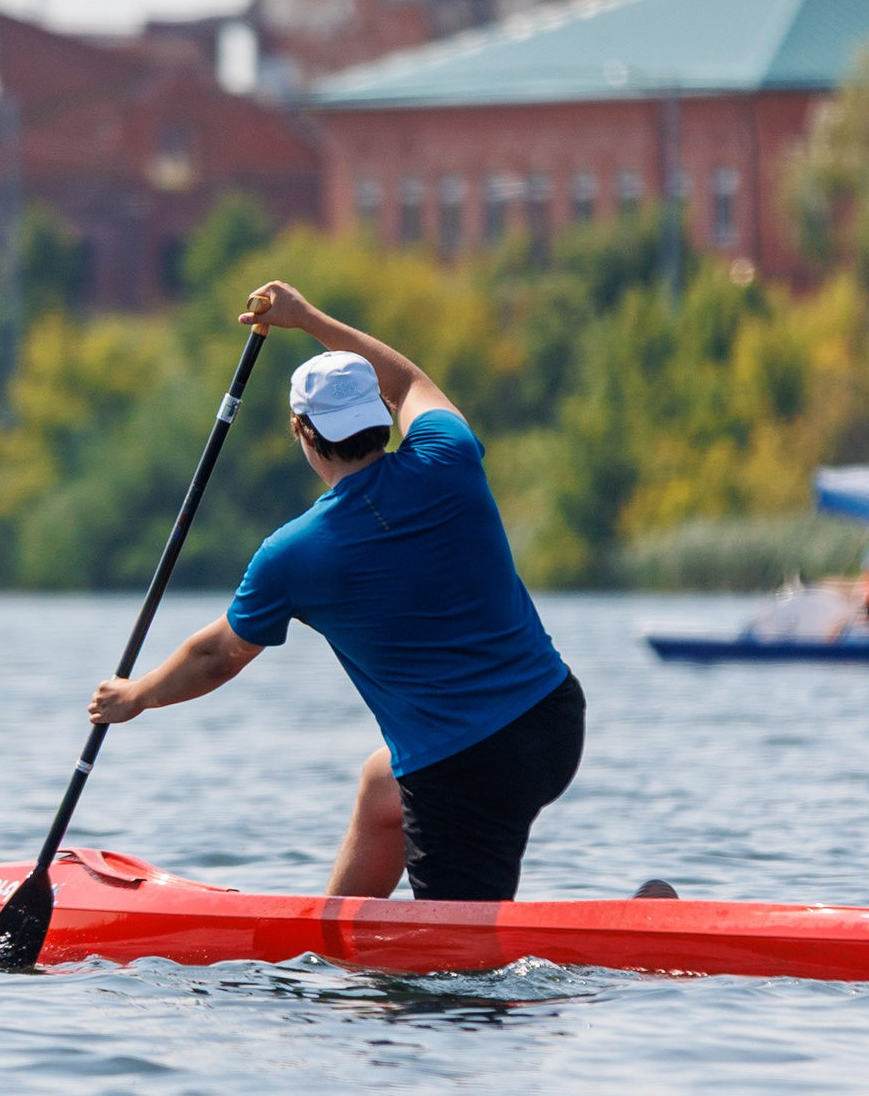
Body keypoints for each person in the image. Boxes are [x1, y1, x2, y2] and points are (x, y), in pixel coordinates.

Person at [87, 281, 583, 902]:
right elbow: (406, 381)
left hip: (463, 770)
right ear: (378, 415)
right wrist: (308, 318)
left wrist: (137, 696)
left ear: (302, 430)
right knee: (383, 789)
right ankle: (333, 935)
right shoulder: (448, 455)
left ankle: (636, 942)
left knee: (454, 973)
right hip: (554, 720)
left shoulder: (296, 552)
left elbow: (219, 655)